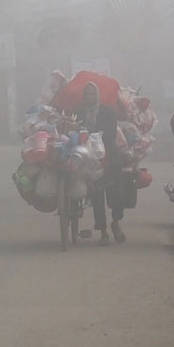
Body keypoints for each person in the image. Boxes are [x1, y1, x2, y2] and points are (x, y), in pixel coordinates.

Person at [76, 81, 126, 245]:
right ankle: (103, 231)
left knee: (117, 195)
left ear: (97, 95)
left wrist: (95, 136)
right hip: (90, 158)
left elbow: (110, 132)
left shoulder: (108, 111)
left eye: (92, 94)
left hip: (109, 156)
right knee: (97, 195)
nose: (90, 97)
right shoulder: (78, 113)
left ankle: (116, 223)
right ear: (83, 97)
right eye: (87, 94)